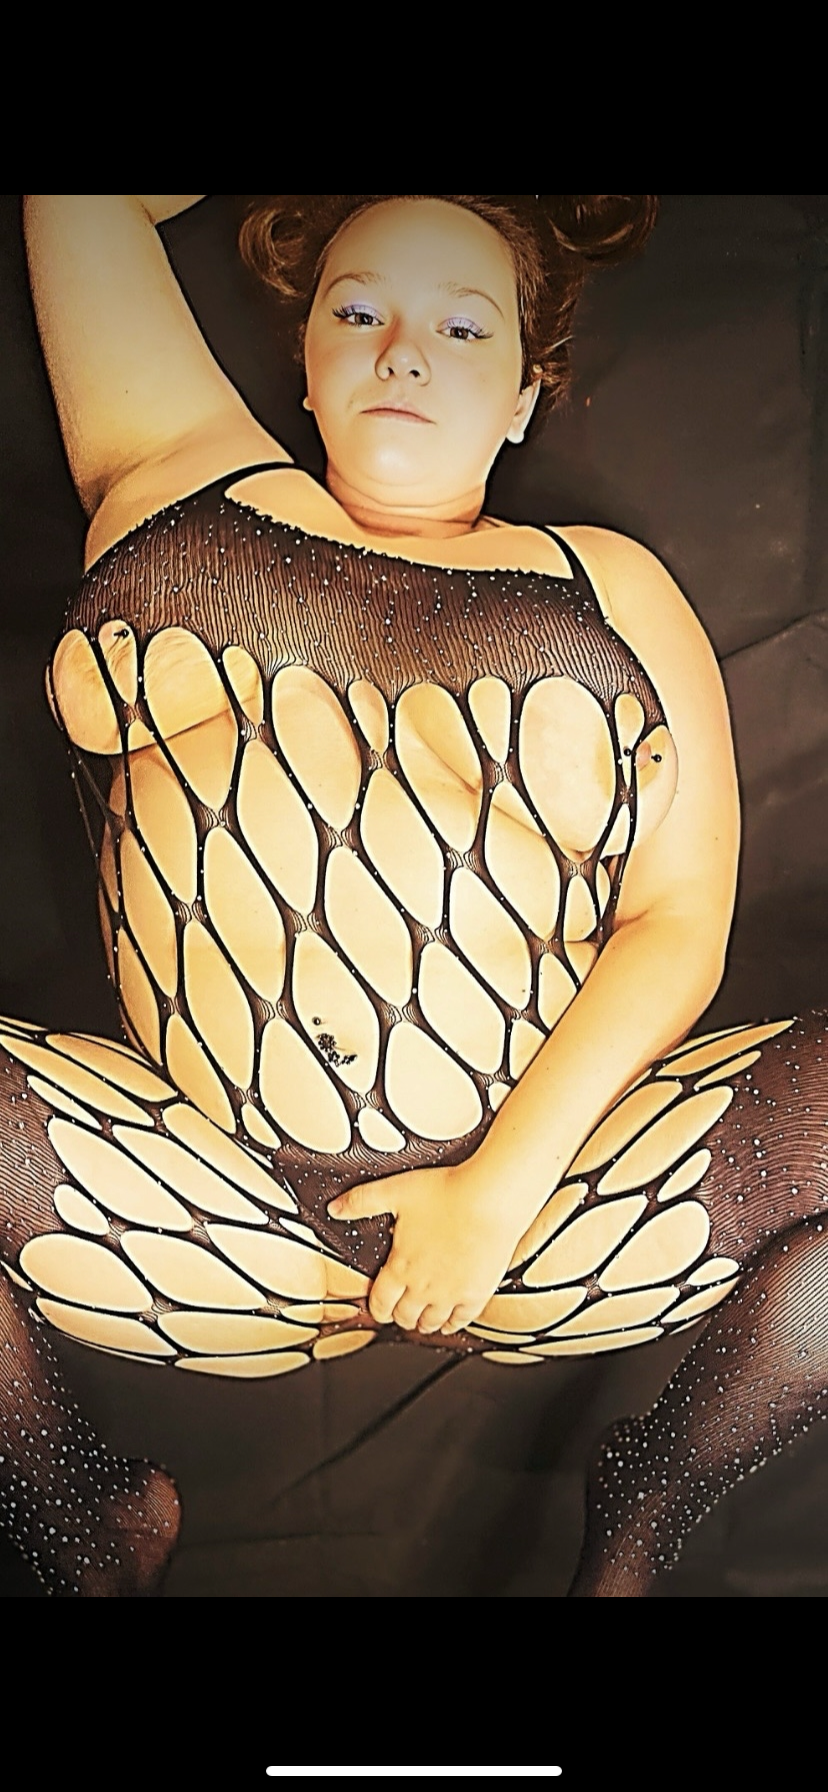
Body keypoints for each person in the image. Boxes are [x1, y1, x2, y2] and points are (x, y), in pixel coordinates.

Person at [0, 191, 824, 1597]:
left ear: (524, 394)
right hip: (194, 1204)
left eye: (463, 327)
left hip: (557, 1213)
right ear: (306, 356)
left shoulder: (611, 588)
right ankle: (83, 1521)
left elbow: (678, 923)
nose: (404, 352)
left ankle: (650, 1510)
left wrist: (495, 1198)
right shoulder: (193, 479)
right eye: (359, 309)